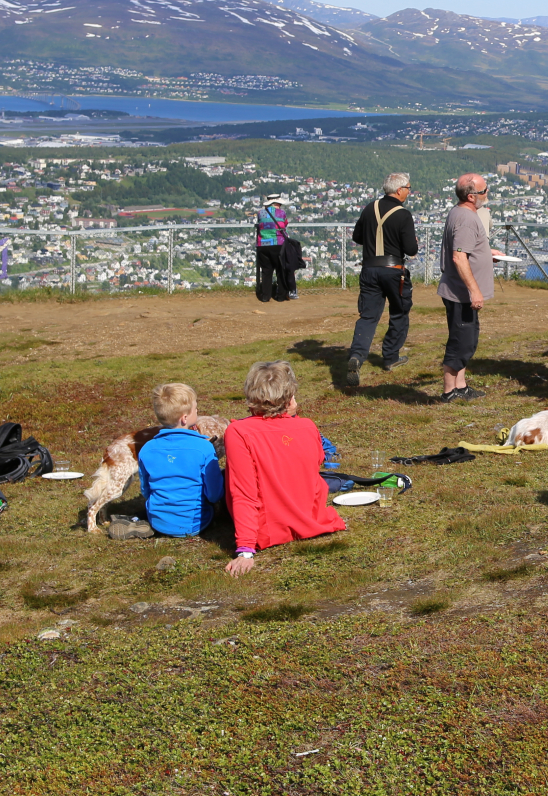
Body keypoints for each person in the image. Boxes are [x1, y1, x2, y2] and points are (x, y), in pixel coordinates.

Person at [223, 360, 346, 576]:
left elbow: (243, 491)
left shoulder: (238, 431)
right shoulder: (307, 425)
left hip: (269, 531)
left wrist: (245, 550)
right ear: (289, 397)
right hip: (314, 521)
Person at [345, 173, 417, 387]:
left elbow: (357, 237)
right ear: (399, 190)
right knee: (399, 311)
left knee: (368, 317)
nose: (409, 192)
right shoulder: (403, 214)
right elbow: (411, 250)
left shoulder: (370, 208)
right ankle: (391, 357)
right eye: (408, 188)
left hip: (369, 269)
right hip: (394, 270)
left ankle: (357, 356)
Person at [135, 382, 224, 538]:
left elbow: (146, 490)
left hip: (158, 521)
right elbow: (214, 494)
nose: (197, 411)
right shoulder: (203, 448)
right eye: (195, 409)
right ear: (184, 418)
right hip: (196, 522)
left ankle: (147, 521)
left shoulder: (146, 449)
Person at [438, 173, 494, 402]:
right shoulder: (467, 219)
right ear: (471, 196)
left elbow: (468, 251)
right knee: (461, 341)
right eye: (483, 191)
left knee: (467, 339)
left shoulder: (459, 212)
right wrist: (474, 290)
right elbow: (459, 257)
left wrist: (489, 255)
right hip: (461, 294)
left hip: (460, 291)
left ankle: (460, 386)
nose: (487, 194)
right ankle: (449, 391)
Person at [253, 194, 297, 302]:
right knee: (280, 270)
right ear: (277, 203)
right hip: (278, 244)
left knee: (266, 271)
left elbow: (260, 223)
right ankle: (281, 296)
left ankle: (265, 296)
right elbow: (285, 224)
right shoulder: (282, 213)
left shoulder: (260, 213)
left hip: (262, 244)